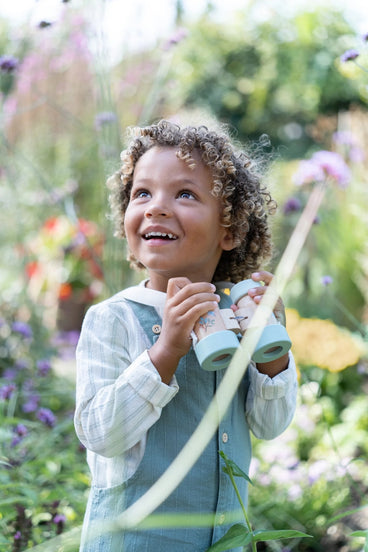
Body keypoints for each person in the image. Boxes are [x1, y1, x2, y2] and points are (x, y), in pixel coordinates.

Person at [74, 119, 298, 551]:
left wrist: (271, 352)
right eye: (142, 193)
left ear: (229, 230)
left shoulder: (238, 312)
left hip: (225, 541)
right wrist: (165, 352)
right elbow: (101, 434)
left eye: (185, 194)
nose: (156, 207)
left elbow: (270, 426)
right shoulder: (113, 318)